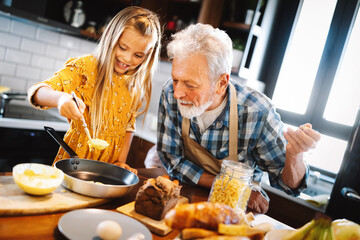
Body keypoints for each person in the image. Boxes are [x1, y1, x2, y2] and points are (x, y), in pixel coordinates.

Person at [156, 23, 321, 213]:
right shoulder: (169, 92)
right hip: (185, 198)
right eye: (176, 79)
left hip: (234, 210)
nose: (177, 93)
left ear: (221, 83)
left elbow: (290, 187)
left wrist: (294, 156)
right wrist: (232, 187)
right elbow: (172, 159)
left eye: (190, 85)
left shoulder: (257, 112)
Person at [27, 6, 162, 174]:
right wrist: (61, 99)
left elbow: (128, 128)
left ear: (148, 54)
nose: (127, 58)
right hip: (74, 167)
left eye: (138, 55)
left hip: (107, 173)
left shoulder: (133, 86)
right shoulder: (86, 68)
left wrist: (120, 162)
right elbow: (37, 92)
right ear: (110, 37)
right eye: (122, 47)